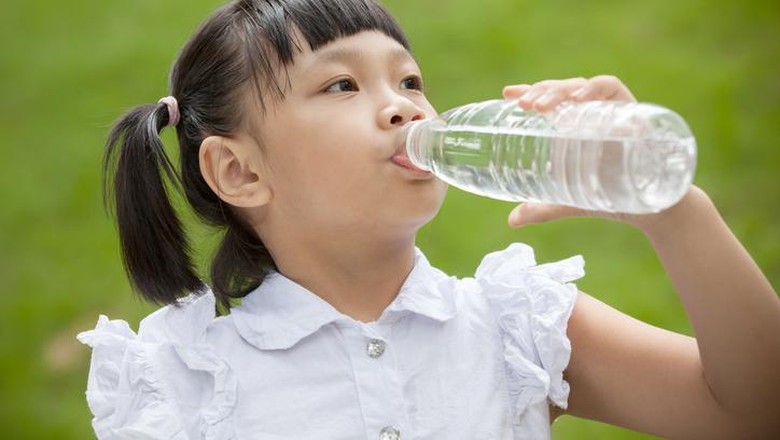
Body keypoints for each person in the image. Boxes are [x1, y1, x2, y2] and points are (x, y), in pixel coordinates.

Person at [77, 0, 780, 438]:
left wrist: (675, 213)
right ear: (241, 172)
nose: (404, 107)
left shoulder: (516, 330)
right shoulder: (186, 380)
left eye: (409, 80)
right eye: (342, 84)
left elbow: (754, 413)